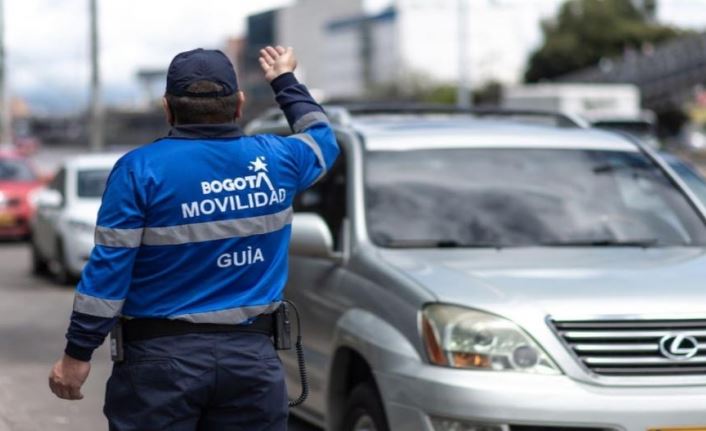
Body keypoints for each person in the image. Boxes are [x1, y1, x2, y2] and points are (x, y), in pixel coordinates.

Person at [48, 45, 339, 430]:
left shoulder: (138, 170)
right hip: (251, 363)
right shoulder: (278, 160)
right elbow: (322, 137)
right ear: (238, 104)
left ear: (167, 108)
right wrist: (284, 80)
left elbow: (107, 274)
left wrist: (78, 354)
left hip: (158, 368)